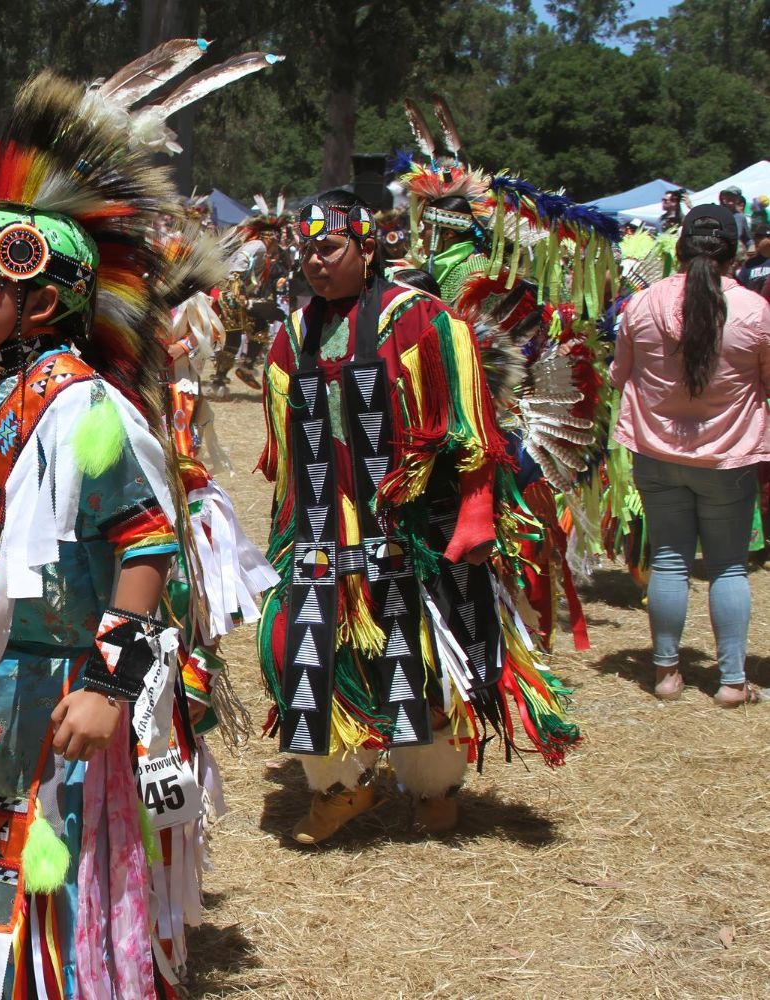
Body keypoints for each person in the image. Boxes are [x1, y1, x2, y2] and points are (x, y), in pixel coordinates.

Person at [0, 43, 274, 995]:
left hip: (59, 696)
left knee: (42, 889)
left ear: (43, 302)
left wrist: (109, 687)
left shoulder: (79, 411)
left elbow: (145, 543)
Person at [256, 190, 578, 846]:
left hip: (414, 533)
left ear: (367, 247)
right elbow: (289, 454)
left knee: (423, 663)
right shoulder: (292, 338)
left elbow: (472, 430)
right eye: (306, 250)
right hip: (325, 531)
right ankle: (339, 788)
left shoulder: (425, 322)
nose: (314, 262)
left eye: (329, 247)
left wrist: (477, 513)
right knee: (303, 654)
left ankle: (433, 787)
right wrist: (286, 532)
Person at [611, 204, 770, 707]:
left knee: (670, 560)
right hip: (730, 457)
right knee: (727, 567)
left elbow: (619, 375)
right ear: (733, 252)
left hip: (657, 454)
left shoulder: (640, 305)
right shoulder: (754, 311)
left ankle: (665, 674)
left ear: (678, 249)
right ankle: (730, 681)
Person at [737, 223, 770, 294]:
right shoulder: (749, 263)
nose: (755, 240)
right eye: (755, 236)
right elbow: (741, 286)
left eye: (759, 236)